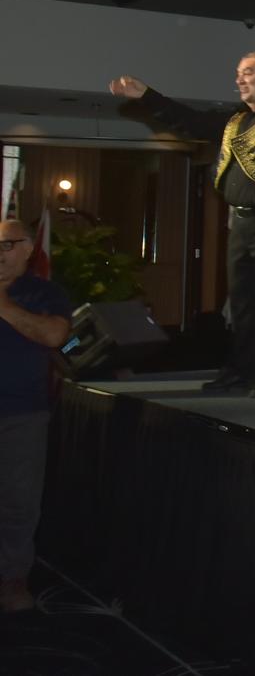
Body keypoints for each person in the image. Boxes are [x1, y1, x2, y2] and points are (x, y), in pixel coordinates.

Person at [110, 52, 255, 397]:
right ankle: (240, 372)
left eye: (247, 73)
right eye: (238, 74)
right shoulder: (235, 121)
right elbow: (191, 122)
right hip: (242, 222)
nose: (239, 80)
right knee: (242, 302)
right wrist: (147, 96)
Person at [0, 219, 71, 614]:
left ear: (28, 247)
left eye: (6, 245)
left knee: (16, 502)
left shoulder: (44, 293)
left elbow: (55, 337)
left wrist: (4, 306)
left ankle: (11, 580)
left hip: (20, 414)